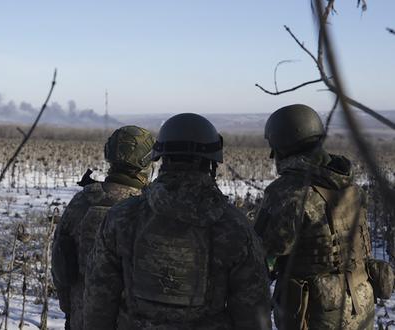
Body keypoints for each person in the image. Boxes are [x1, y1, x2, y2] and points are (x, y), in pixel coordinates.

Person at [84, 113, 271, 330]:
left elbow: (99, 299)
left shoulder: (121, 217)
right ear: (211, 163)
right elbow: (253, 313)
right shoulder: (235, 228)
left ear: (160, 157)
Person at [254, 104, 375, 329]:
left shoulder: (288, 193)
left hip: (317, 313)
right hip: (362, 303)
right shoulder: (350, 186)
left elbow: (260, 253)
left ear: (282, 146)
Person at [51, 125, 155, 330]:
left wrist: (73, 311)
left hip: (81, 320)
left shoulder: (82, 201)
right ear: (146, 162)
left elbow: (60, 267)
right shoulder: (148, 209)